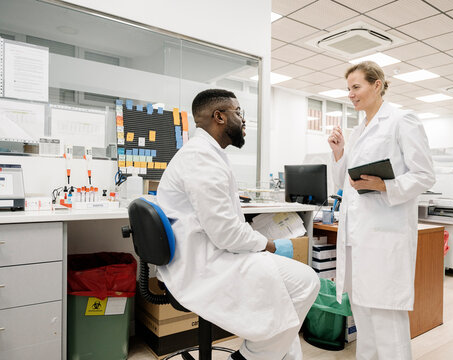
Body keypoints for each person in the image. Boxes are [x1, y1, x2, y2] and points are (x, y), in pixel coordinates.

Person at [156, 89, 320, 360]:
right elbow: (226, 233)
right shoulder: (201, 158)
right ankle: (246, 358)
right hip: (204, 263)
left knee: (285, 298)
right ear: (219, 117)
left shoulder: (206, 153)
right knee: (306, 282)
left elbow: (223, 224)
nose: (243, 120)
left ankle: (273, 355)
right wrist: (268, 245)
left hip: (207, 252)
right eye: (239, 112)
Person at [327, 61, 435, 360]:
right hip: (358, 237)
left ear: (377, 85)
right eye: (348, 88)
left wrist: (385, 186)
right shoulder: (359, 129)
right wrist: (339, 153)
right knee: (364, 318)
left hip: (385, 236)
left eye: (356, 87)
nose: (351, 94)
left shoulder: (402, 120)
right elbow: (347, 184)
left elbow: (425, 174)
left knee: (387, 323)